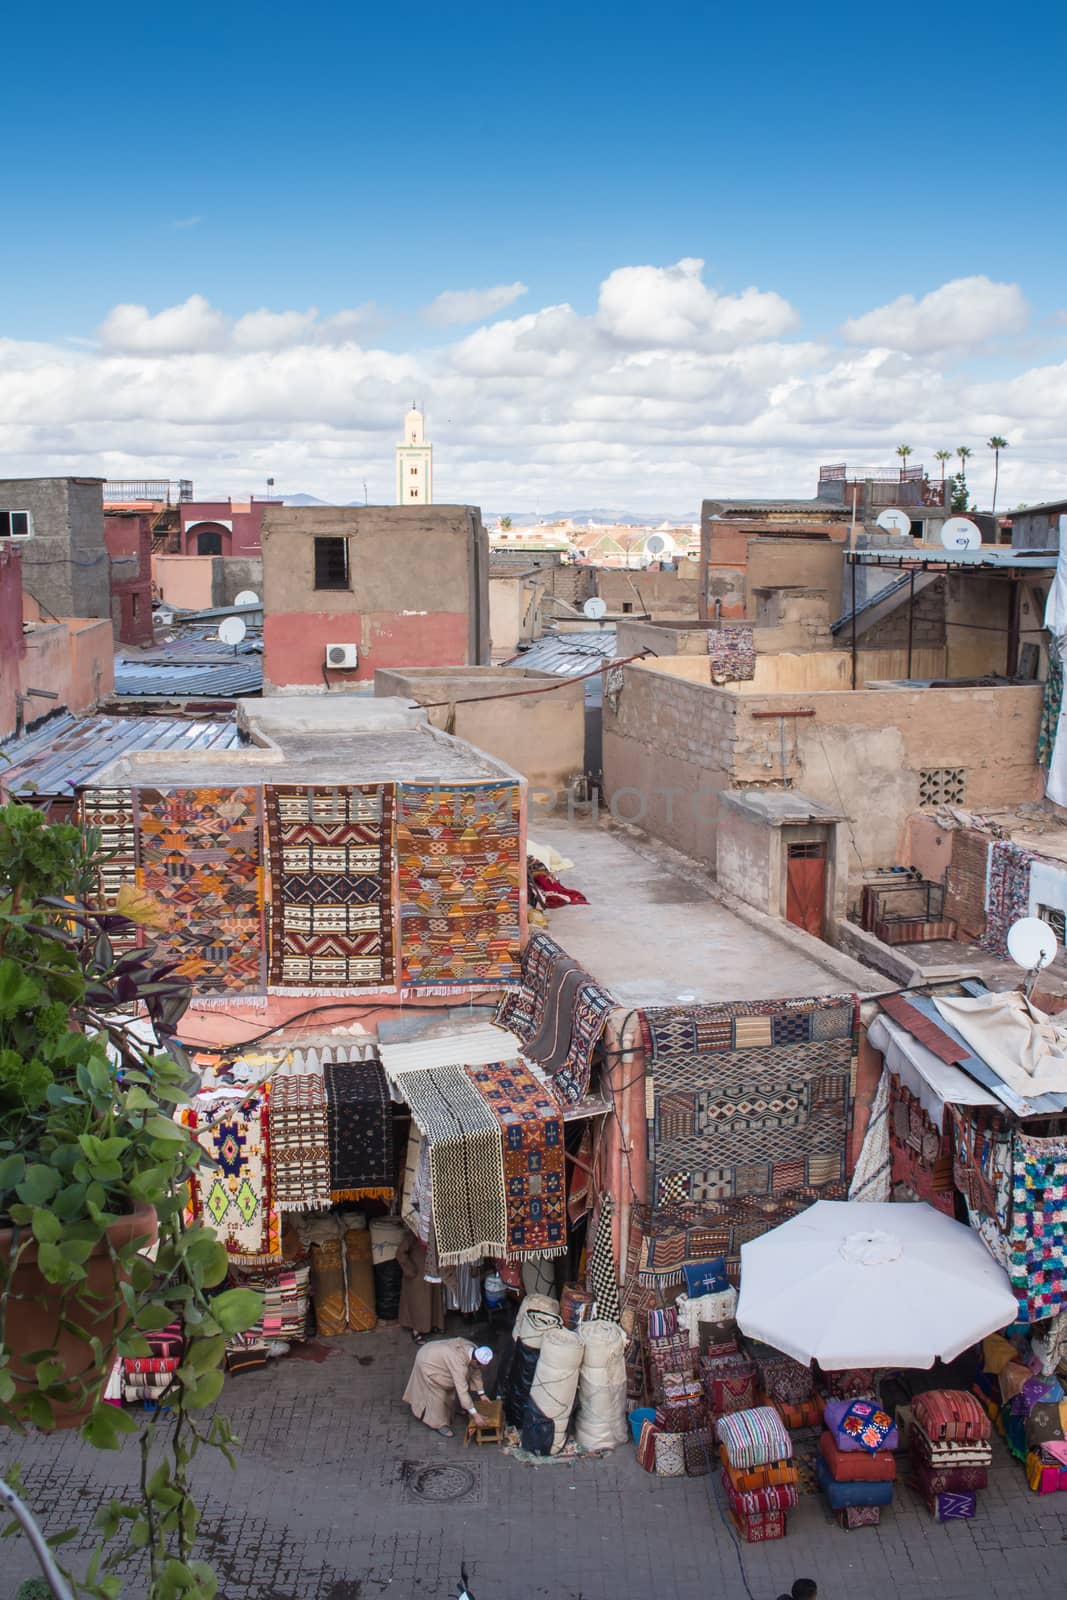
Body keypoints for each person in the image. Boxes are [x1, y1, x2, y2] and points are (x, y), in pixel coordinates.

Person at [403, 1337, 493, 1438]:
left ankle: (456, 1407)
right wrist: (475, 1415)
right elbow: (462, 1389)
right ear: (475, 1360)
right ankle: (438, 1424)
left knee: (455, 1382)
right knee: (439, 1391)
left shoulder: (474, 1349)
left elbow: (476, 1371)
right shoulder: (458, 1364)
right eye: (479, 1365)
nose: (480, 1368)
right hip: (428, 1361)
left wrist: (482, 1394)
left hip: (435, 1352)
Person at [396, 1228, 444, 1345]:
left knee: (433, 1300)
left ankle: (433, 1324)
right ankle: (416, 1331)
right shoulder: (414, 1233)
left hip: (431, 1270)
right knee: (418, 1304)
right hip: (417, 1275)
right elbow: (400, 1253)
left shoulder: (435, 1229)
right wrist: (411, 1270)